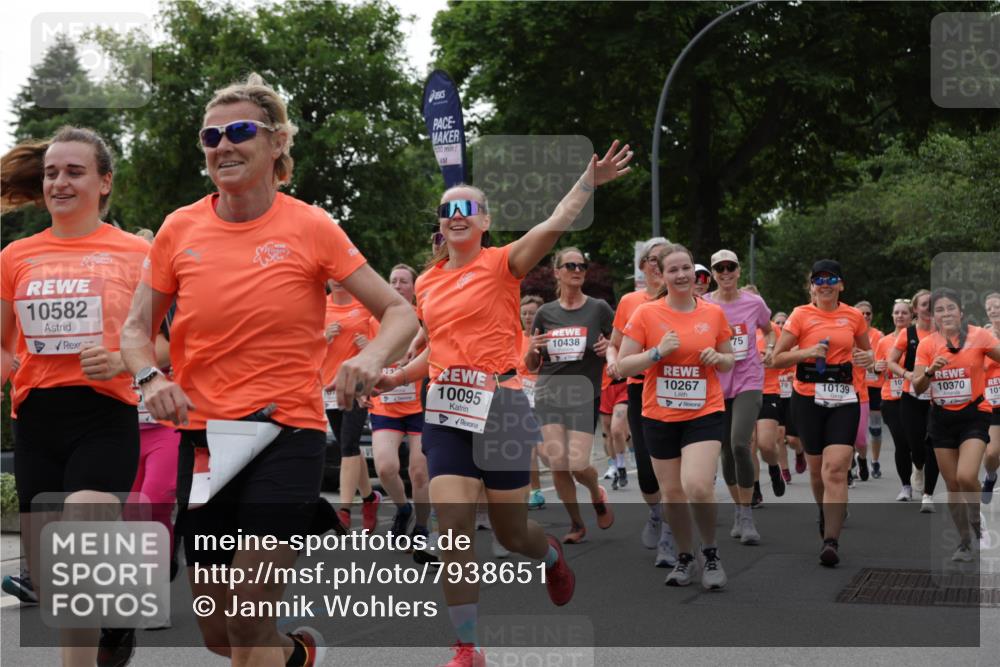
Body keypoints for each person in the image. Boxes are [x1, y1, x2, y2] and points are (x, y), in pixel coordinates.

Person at [119, 73, 417, 667]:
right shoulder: (179, 228)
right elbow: (135, 331)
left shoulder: (309, 225)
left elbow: (400, 312)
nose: (223, 145)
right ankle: (298, 655)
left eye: (240, 131)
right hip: (204, 442)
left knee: (250, 616)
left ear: (278, 142)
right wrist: (151, 379)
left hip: (287, 433)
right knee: (218, 632)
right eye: (211, 135)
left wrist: (368, 356)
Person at [379, 141, 633, 666]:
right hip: (447, 409)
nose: (454, 216)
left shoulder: (502, 263)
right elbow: (435, 350)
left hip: (503, 406)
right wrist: (398, 375)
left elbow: (557, 222)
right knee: (453, 525)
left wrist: (588, 181)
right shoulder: (425, 283)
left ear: (484, 220)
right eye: (446, 210)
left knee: (513, 531)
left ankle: (550, 554)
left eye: (465, 208)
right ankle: (467, 647)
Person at [1, 126, 150, 666]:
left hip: (105, 414)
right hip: (37, 420)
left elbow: (168, 341)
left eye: (74, 171)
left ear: (104, 182)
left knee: (78, 543)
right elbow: (3, 346)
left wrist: (123, 359)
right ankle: (113, 616)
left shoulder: (137, 254)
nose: (59, 182)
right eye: (51, 173)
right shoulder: (16, 255)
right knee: (54, 578)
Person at [617, 243, 735, 589]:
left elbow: (730, 360)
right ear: (661, 275)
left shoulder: (712, 314)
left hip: (704, 411)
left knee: (697, 486)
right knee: (672, 494)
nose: (682, 275)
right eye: (673, 270)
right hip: (659, 414)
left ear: (695, 273)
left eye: (686, 268)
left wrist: (718, 357)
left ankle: (710, 552)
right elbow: (623, 365)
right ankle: (685, 557)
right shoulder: (646, 314)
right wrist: (656, 352)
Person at [771, 260, 873, 567]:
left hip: (844, 397)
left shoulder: (854, 316)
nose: (824, 283)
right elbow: (777, 359)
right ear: (812, 286)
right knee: (817, 472)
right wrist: (806, 353)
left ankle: (831, 540)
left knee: (836, 469)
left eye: (831, 278)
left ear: (841, 284)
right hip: (808, 399)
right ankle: (825, 510)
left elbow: (867, 354)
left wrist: (864, 358)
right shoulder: (801, 315)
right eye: (818, 279)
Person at [525, 247, 615, 543]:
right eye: (570, 265)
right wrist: (533, 349)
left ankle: (595, 493)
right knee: (557, 460)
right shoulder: (545, 312)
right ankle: (576, 524)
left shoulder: (599, 308)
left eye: (582, 265)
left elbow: (618, 343)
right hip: (549, 393)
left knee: (577, 463)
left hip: (583, 395)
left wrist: (608, 349)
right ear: (557, 272)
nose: (577, 270)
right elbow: (532, 364)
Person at [911, 288, 1000, 558]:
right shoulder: (927, 345)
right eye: (940, 310)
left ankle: (978, 521)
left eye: (951, 308)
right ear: (933, 316)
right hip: (941, 419)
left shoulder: (979, 336)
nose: (946, 313)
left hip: (974, 414)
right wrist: (930, 371)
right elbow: (917, 387)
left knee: (965, 477)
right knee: (952, 485)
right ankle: (964, 541)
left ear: (961, 312)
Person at [606, 236, 677, 566]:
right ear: (644, 266)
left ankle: (671, 534)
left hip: (678, 390)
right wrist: (612, 359)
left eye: (663, 258)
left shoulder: (683, 299)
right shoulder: (630, 301)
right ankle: (656, 512)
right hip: (639, 387)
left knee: (673, 470)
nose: (656, 263)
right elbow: (615, 344)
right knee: (647, 472)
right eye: (651, 258)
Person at [703, 250, 780, 545]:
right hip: (716, 384)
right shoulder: (705, 304)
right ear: (712, 273)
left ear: (738, 271)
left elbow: (769, 331)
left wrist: (770, 348)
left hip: (748, 379)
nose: (725, 272)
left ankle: (747, 514)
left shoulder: (753, 302)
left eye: (730, 267)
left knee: (739, 444)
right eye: (719, 268)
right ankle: (738, 508)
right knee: (724, 449)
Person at [368, 264, 433, 543]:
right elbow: (368, 356)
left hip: (418, 406)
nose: (396, 286)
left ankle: (421, 527)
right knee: (385, 467)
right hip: (386, 405)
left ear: (414, 287)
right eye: (392, 281)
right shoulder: (375, 320)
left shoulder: (425, 318)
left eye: (403, 281)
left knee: (419, 473)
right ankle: (402, 508)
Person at [321, 279, 380, 532]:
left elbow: (386, 337)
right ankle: (369, 499)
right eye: (331, 276)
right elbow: (305, 343)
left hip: (357, 387)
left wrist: (372, 346)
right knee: (351, 448)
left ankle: (344, 511)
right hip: (329, 387)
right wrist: (323, 337)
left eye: (340, 276)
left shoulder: (365, 305)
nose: (336, 281)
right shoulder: (320, 307)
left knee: (347, 445)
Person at [887, 289, 939, 513]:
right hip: (912, 395)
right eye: (924, 305)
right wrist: (907, 375)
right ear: (916, 309)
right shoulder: (907, 334)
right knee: (915, 445)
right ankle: (917, 467)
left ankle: (928, 494)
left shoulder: (945, 333)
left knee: (933, 445)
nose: (928, 308)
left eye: (932, 304)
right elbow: (891, 362)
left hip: (938, 397)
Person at [876, 299, 915, 500]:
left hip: (915, 396)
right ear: (892, 316)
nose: (900, 316)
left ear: (912, 316)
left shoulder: (920, 338)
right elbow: (874, 372)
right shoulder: (884, 342)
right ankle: (906, 486)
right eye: (897, 313)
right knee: (901, 442)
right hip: (891, 398)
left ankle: (919, 467)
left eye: (904, 313)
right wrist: (876, 368)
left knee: (917, 442)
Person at [516, 295, 546, 509]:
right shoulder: (513, 337)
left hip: (544, 398)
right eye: (524, 312)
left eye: (532, 313)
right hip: (520, 399)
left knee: (547, 453)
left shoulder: (545, 338)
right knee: (528, 448)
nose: (528, 317)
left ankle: (574, 475)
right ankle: (534, 491)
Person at [853, 300, 883, 480]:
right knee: (854, 431)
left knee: (876, 428)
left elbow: (882, 358)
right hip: (856, 386)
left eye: (868, 313)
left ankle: (875, 460)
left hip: (874, 386)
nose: (865, 316)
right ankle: (853, 464)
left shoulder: (877, 335)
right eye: (861, 313)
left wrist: (874, 365)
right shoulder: (848, 333)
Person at [982, 292, 1000, 503]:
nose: (994, 311)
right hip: (992, 401)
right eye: (990, 309)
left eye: (997, 306)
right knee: (992, 454)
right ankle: (991, 475)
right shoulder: (982, 337)